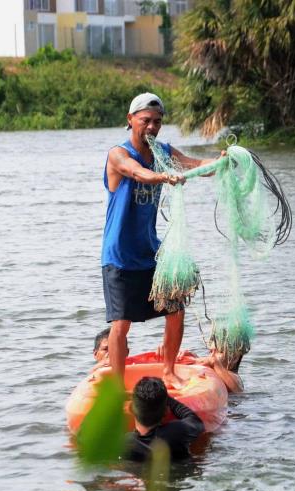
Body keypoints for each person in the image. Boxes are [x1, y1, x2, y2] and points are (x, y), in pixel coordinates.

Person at [102, 92, 223, 389]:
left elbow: (192, 164)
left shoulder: (163, 152)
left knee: (176, 307)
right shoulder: (118, 154)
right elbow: (137, 172)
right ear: (131, 121)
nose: (152, 127)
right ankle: (117, 388)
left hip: (151, 252)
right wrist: (163, 177)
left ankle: (168, 371)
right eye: (145, 121)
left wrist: (220, 162)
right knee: (121, 324)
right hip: (120, 255)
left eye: (157, 122)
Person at [123, 376, 204, 462]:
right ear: (167, 411)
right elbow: (196, 421)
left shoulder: (124, 444)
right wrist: (168, 399)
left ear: (130, 409)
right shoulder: (176, 432)